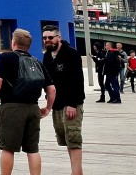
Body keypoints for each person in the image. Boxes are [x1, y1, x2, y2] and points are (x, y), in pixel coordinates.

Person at [0, 28, 55, 175]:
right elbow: (51, 89)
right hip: (33, 108)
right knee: (33, 150)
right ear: (28, 46)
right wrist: (48, 108)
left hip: (11, 108)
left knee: (8, 148)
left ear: (13, 43)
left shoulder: (6, 58)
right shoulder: (36, 62)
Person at [41, 24, 85, 175]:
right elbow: (46, 82)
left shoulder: (71, 54)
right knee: (67, 140)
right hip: (57, 105)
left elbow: (78, 80)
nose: (47, 40)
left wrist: (73, 104)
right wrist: (47, 104)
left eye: (50, 37)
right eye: (45, 38)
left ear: (58, 37)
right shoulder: (47, 56)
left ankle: (77, 173)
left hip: (70, 104)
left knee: (74, 139)